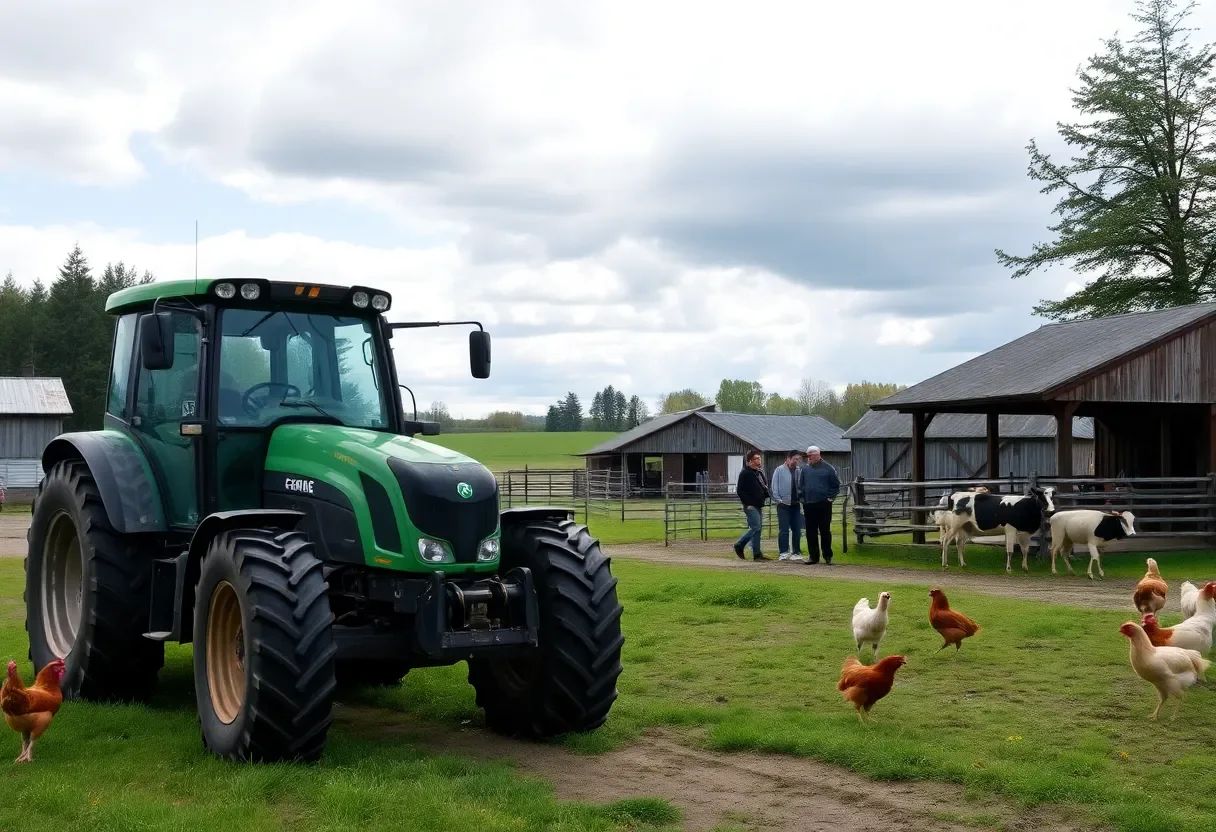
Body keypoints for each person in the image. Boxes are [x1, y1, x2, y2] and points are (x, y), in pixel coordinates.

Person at [799, 445, 840, 564]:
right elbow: (801, 486)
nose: (808, 458)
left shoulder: (828, 468)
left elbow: (835, 485)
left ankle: (827, 556)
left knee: (825, 531)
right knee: (810, 531)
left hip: (824, 505)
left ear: (817, 455)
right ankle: (813, 556)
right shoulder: (805, 469)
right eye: (808, 456)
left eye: (810, 455)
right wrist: (803, 499)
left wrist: (829, 498)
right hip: (809, 504)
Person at [733, 450, 769, 561]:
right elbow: (740, 490)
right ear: (749, 461)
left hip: (758, 504)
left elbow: (764, 486)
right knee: (755, 527)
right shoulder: (745, 473)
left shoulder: (758, 472)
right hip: (750, 505)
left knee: (758, 529)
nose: (759, 460)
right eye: (756, 459)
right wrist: (747, 503)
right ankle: (739, 544)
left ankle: (757, 554)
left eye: (759, 458)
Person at [769, 450, 805, 561]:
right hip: (783, 505)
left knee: (797, 529)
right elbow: (774, 487)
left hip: (795, 505)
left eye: (798, 459)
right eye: (795, 459)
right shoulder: (779, 470)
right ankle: (783, 552)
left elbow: (802, 486)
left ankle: (796, 552)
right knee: (783, 529)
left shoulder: (799, 471)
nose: (797, 461)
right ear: (788, 458)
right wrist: (779, 500)